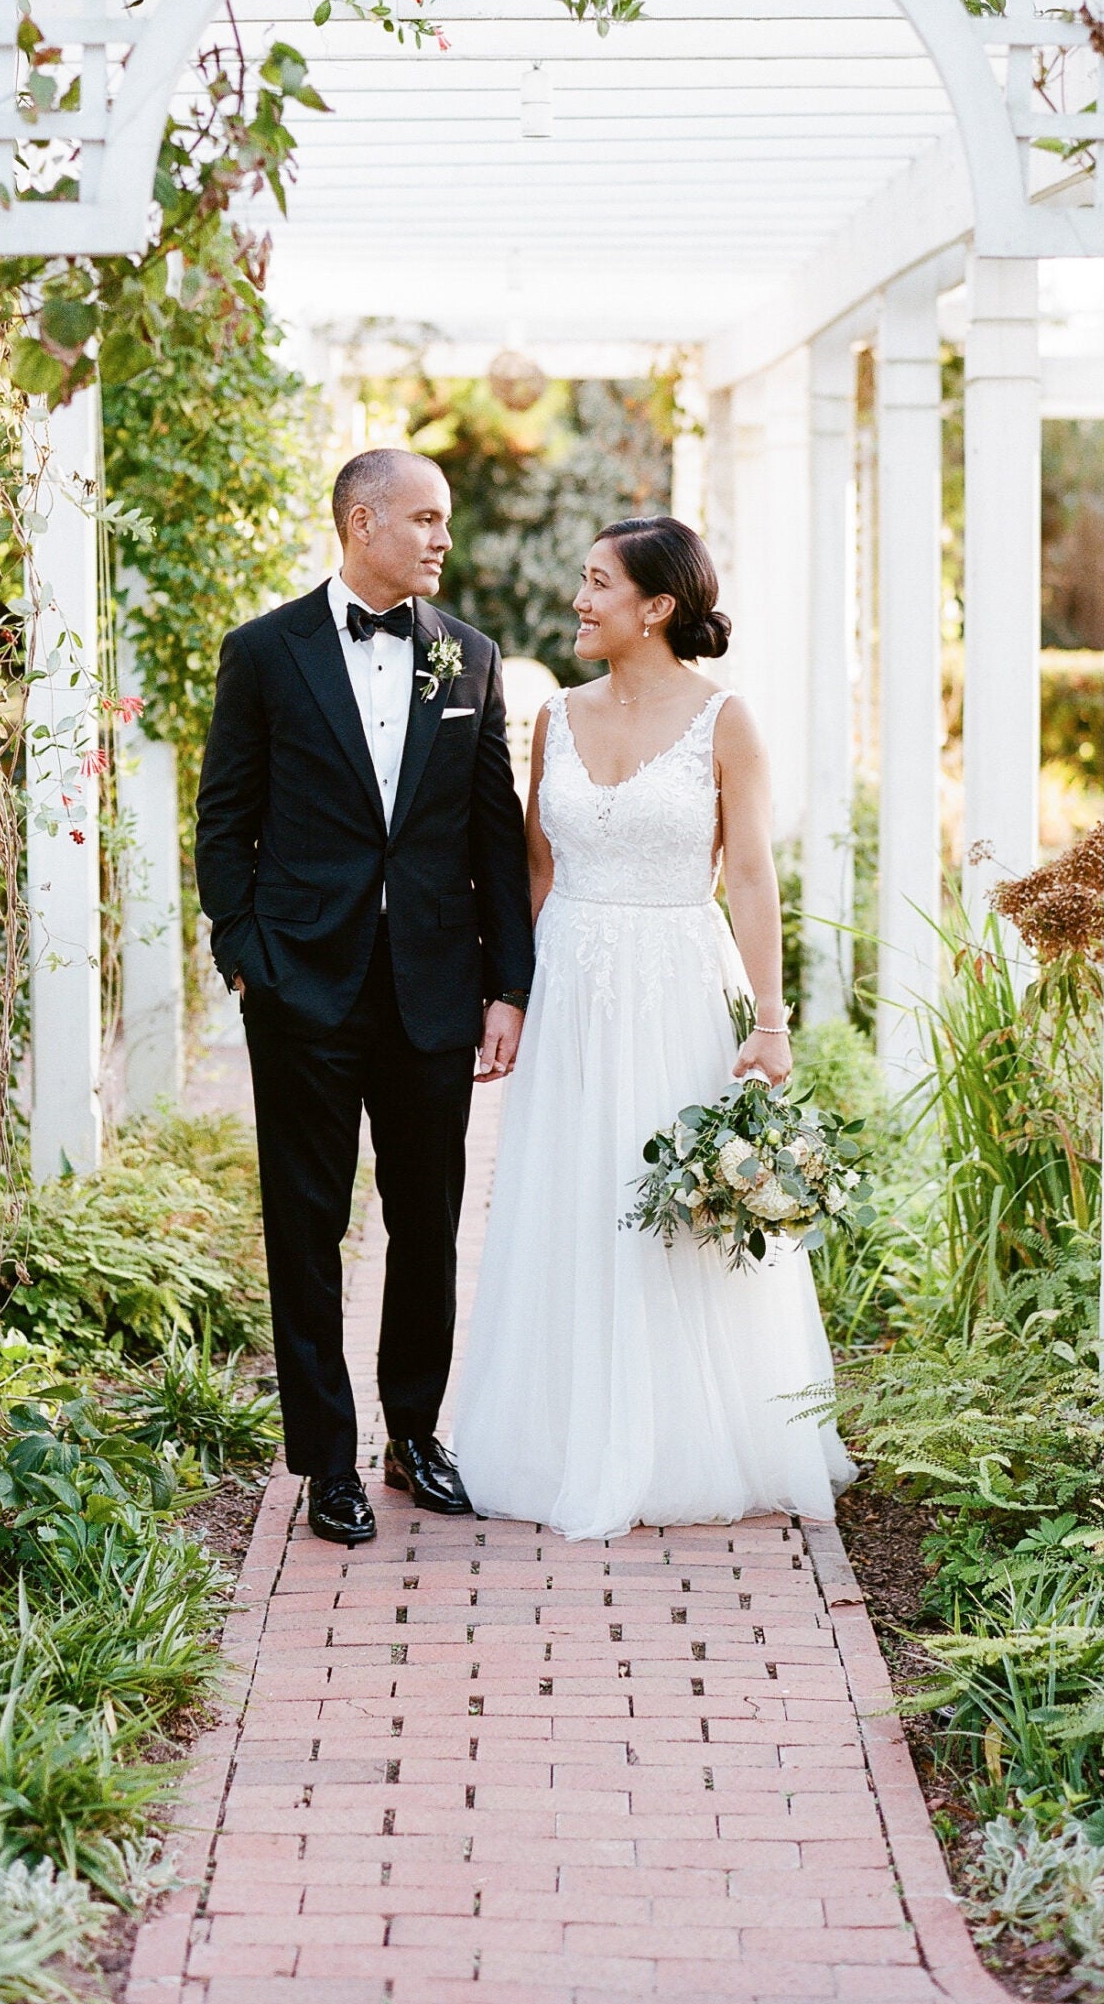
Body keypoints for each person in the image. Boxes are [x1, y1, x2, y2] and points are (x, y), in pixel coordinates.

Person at [452, 515, 854, 1540]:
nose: (579, 599)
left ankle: (685, 1438)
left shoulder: (727, 720)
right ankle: (559, 1434)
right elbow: (539, 871)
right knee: (570, 1197)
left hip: (680, 978)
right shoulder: (556, 718)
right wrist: (515, 995)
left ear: (657, 606)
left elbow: (753, 876)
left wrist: (772, 1023)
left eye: (598, 583)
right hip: (575, 990)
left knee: (680, 1212)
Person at [196, 449, 534, 1547]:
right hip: (303, 991)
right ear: (361, 521)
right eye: (426, 519)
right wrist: (249, 955)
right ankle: (326, 1462)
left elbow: (494, 835)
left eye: (446, 520)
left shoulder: (470, 660)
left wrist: (507, 987)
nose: (443, 538)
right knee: (306, 1223)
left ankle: (415, 1436)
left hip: (435, 991)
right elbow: (223, 820)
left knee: (428, 1222)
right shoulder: (263, 653)